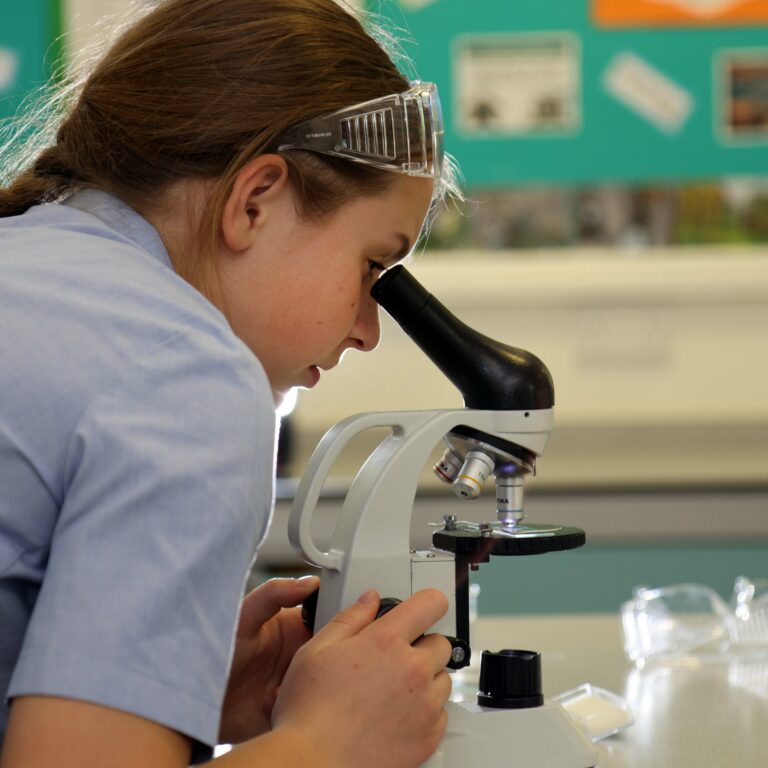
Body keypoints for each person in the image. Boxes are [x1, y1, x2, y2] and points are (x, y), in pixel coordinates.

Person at [0, 1, 461, 766]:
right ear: (255, 201)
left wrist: (180, 698)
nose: (369, 329)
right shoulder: (184, 374)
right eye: (372, 266)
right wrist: (331, 744)